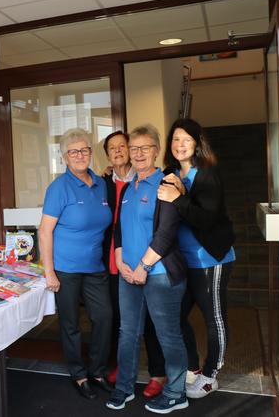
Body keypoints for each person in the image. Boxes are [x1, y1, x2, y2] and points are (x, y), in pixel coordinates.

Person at [105, 124, 188, 414]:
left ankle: (177, 393)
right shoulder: (128, 187)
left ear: (156, 151)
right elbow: (119, 229)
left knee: (168, 335)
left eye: (145, 147)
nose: (138, 153)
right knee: (127, 332)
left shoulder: (167, 183)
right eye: (134, 147)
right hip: (128, 273)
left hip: (160, 274)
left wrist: (142, 266)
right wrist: (119, 260)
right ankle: (124, 388)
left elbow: (166, 233)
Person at [159, 118, 236, 399]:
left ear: (197, 144)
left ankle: (210, 374)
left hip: (211, 259)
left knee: (213, 317)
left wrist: (178, 197)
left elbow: (205, 219)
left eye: (186, 140)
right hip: (184, 261)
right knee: (176, 316)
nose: (180, 145)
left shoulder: (207, 175)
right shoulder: (170, 172)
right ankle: (192, 367)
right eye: (176, 140)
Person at [39, 128, 113, 399]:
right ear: (65, 158)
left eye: (84, 150)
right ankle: (79, 374)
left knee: (104, 318)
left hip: (95, 267)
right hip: (66, 269)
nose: (80, 155)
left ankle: (97, 370)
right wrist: (49, 272)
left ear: (91, 153)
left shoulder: (101, 183)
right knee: (71, 323)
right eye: (73, 151)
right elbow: (45, 231)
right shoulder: (59, 188)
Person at [101, 131, 167, 399]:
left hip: (149, 259)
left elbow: (165, 227)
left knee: (152, 322)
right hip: (117, 257)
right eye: (112, 148)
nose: (119, 151)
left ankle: (157, 373)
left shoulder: (150, 180)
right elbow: (114, 224)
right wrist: (117, 255)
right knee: (124, 320)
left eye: (123, 146)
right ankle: (123, 368)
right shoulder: (103, 180)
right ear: (107, 154)